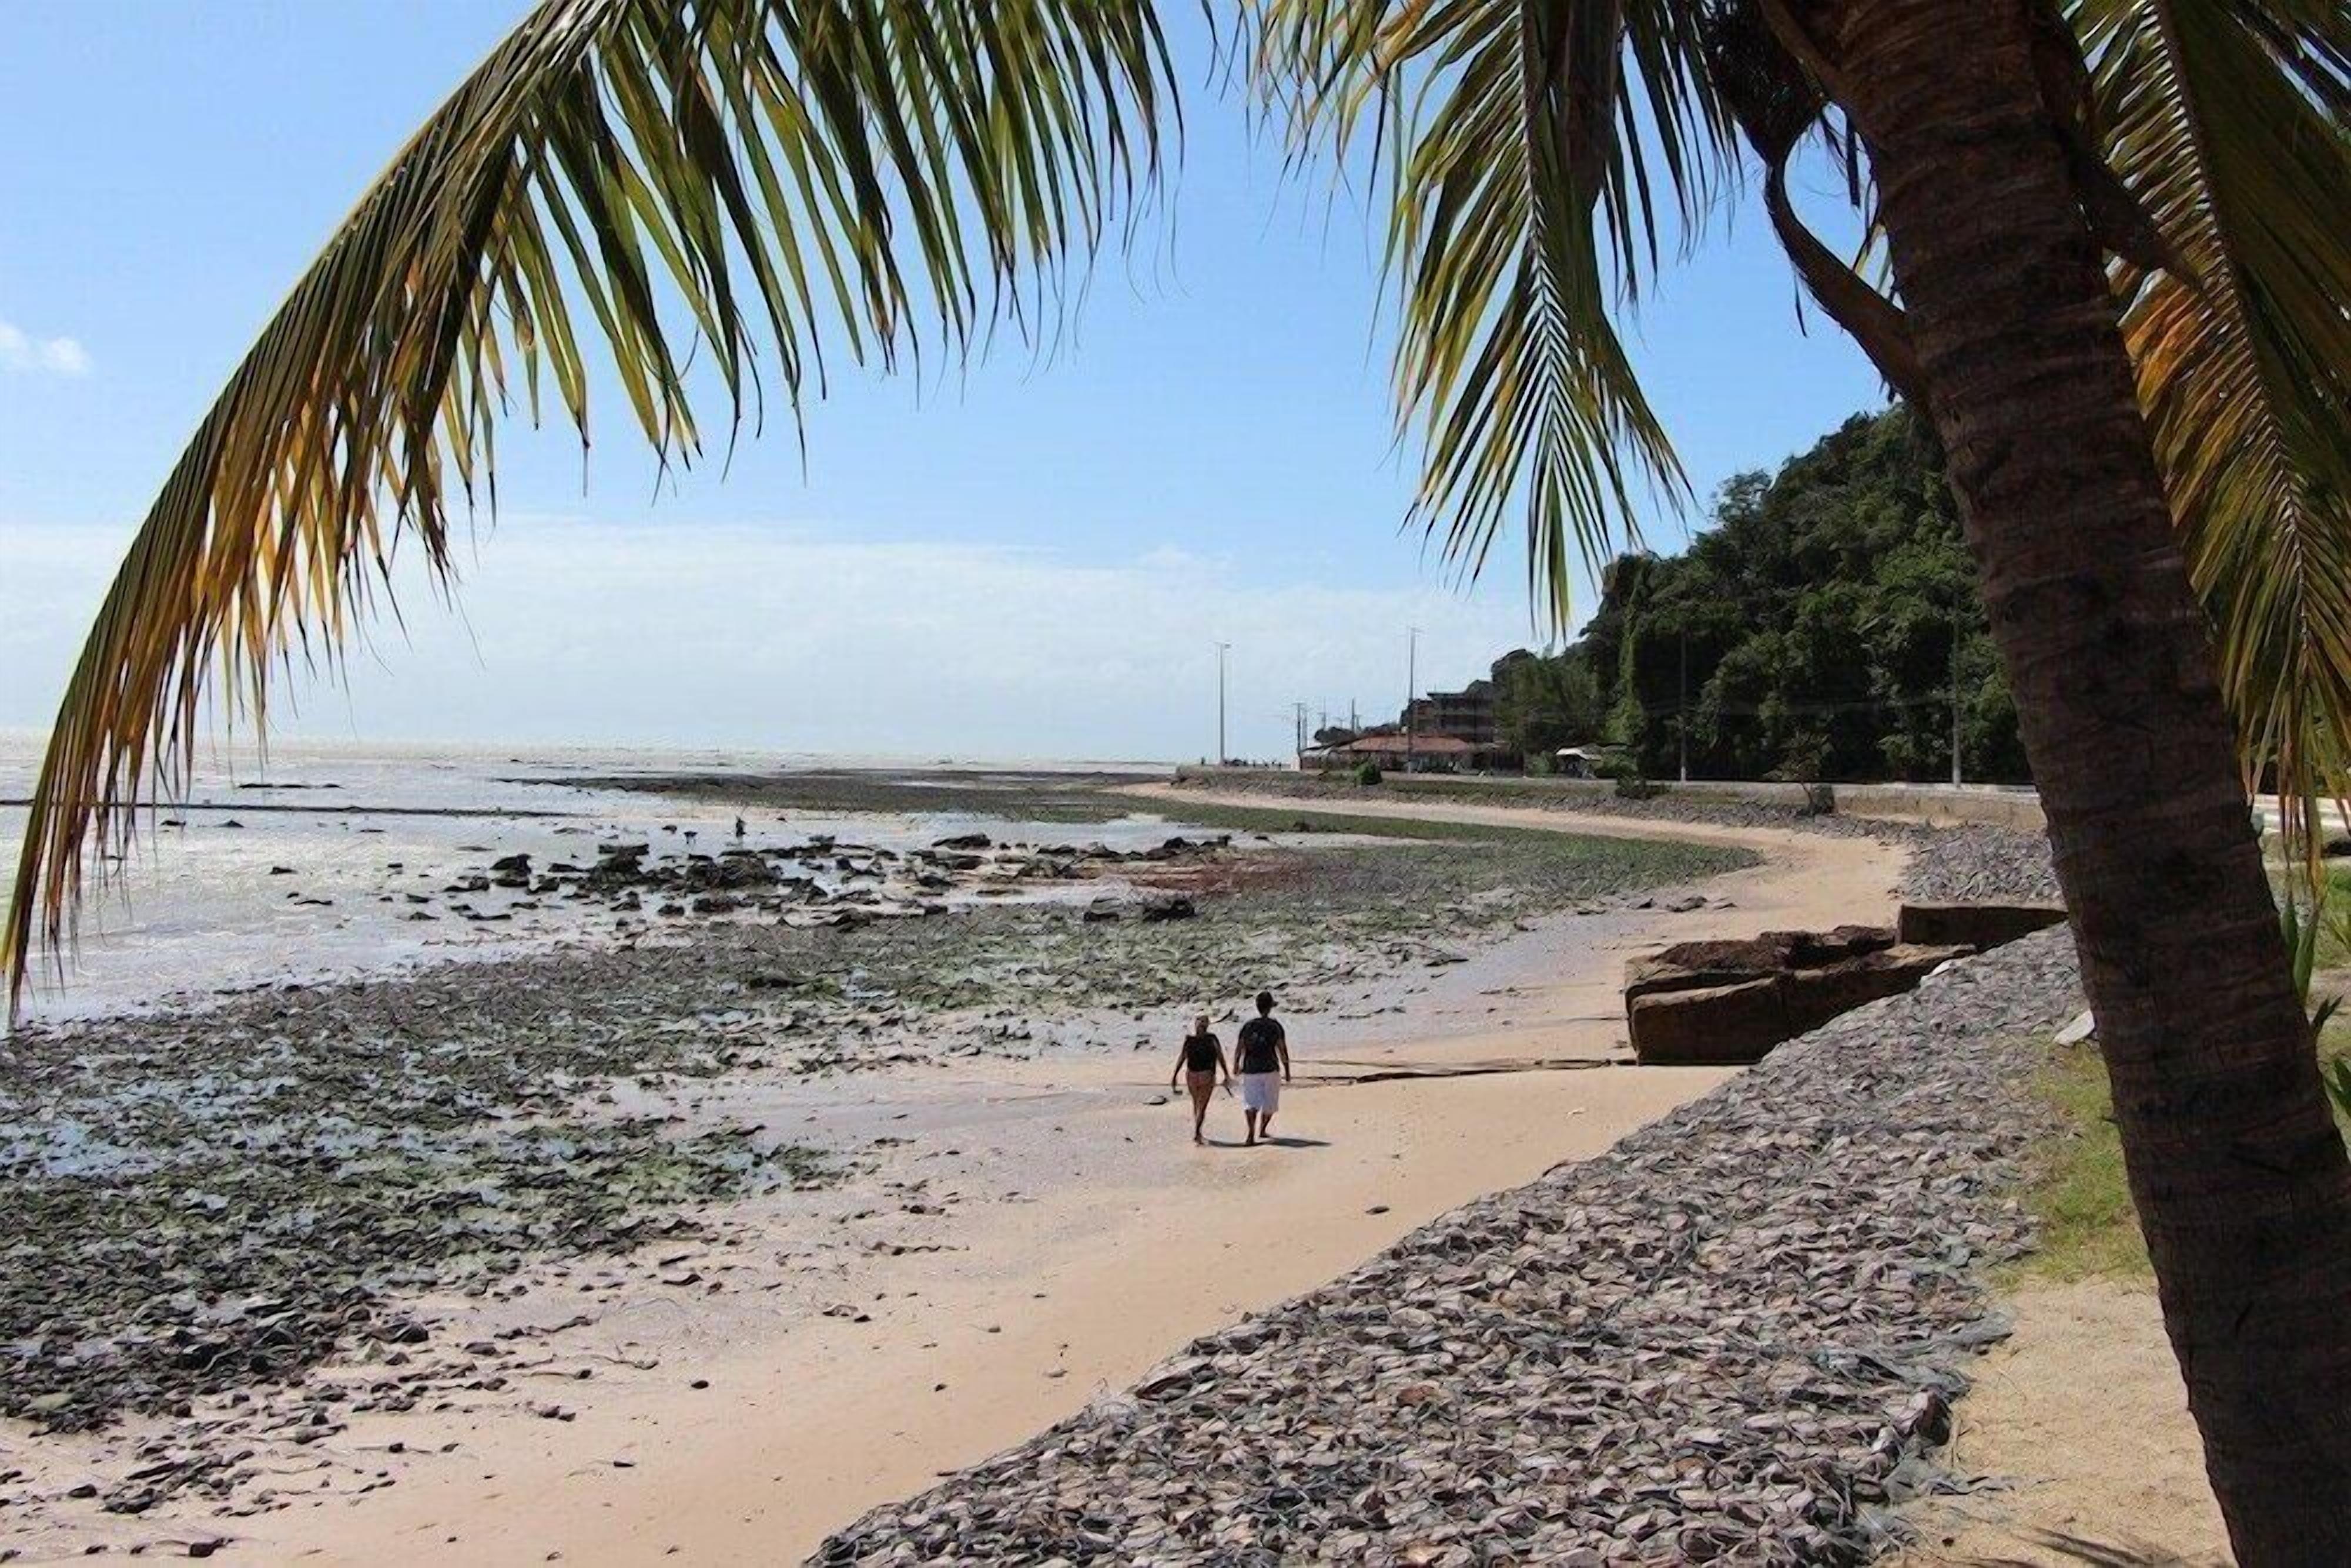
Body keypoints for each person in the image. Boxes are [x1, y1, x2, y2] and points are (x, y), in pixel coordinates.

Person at [1234, 990, 1291, 1146]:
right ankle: (1262, 1129)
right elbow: (1282, 1049)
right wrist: (1287, 1070)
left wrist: (1236, 1065)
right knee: (1270, 1104)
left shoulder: (1248, 1026)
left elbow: (1240, 1048)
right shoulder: (1275, 1026)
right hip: (1270, 1068)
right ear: (1270, 1007)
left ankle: (1251, 1134)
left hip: (1251, 1068)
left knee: (1250, 1103)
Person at [1170, 1013, 1230, 1145]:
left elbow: (1182, 1057)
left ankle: (1198, 1131)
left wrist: (1175, 1076)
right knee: (1202, 1106)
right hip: (1206, 1075)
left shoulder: (1189, 1039)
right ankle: (1197, 1132)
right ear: (1207, 1026)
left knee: (1196, 1104)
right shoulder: (1211, 1038)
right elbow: (1220, 1057)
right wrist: (1226, 1074)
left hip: (1192, 1075)